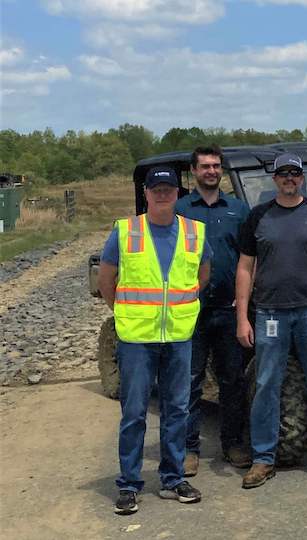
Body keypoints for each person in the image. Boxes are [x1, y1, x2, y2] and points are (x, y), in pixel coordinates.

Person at [98, 167, 210, 515]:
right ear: (146, 193)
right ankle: (129, 484)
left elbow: (201, 277)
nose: (162, 194)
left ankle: (173, 478)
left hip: (178, 336)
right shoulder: (126, 231)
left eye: (168, 189)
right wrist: (127, 312)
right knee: (134, 413)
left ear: (178, 193)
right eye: (156, 189)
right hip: (137, 339)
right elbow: (106, 280)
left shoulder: (195, 232)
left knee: (177, 410)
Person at [236, 152, 307, 488]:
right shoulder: (258, 217)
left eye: (294, 174)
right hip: (270, 312)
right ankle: (263, 458)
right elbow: (244, 268)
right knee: (268, 383)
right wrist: (242, 316)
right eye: (283, 174)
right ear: (274, 179)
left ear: (302, 178)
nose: (289, 179)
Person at [175, 146, 251, 476]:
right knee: (188, 381)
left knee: (232, 381)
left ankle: (232, 443)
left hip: (230, 309)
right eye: (205, 166)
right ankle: (189, 449)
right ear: (194, 171)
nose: (211, 171)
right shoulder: (179, 209)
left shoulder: (238, 209)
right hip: (191, 310)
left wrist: (246, 298)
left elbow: (251, 257)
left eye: (216, 166)